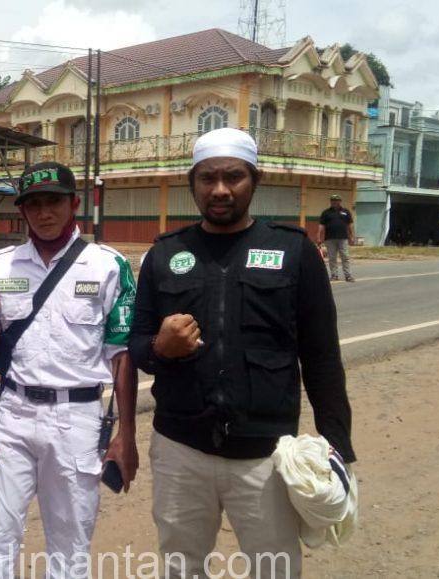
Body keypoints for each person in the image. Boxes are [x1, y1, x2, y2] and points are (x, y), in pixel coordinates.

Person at [130, 128, 356, 579]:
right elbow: (137, 344)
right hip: (180, 449)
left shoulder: (293, 251)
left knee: (275, 568)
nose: (220, 189)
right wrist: (159, 348)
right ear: (191, 183)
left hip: (265, 453)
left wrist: (337, 446)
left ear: (256, 179)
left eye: (233, 177)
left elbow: (322, 358)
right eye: (207, 178)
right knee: (180, 565)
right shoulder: (165, 254)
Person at [0, 161, 139, 578]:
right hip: (12, 414)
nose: (44, 213)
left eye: (54, 203)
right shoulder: (3, 265)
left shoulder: (107, 266)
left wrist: (126, 434)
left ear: (74, 204)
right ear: (23, 211)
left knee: (70, 541)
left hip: (76, 420)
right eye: (34, 205)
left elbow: (122, 355)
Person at [318, 194, 356, 282]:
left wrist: (352, 236)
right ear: (330, 202)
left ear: (340, 201)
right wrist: (318, 236)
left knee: (345, 257)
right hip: (330, 239)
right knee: (332, 258)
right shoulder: (326, 212)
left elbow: (350, 225)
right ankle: (334, 275)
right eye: (332, 200)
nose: (334, 202)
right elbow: (321, 225)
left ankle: (348, 275)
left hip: (343, 238)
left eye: (336, 200)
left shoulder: (346, 212)